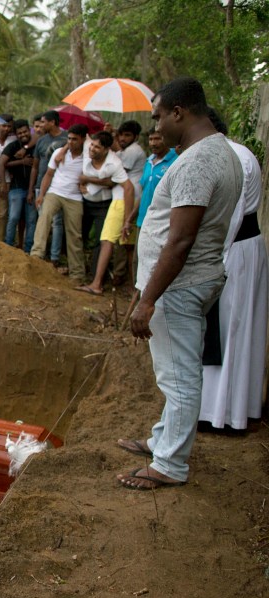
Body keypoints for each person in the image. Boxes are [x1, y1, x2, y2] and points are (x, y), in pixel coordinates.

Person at [117, 77, 243, 490]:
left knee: (180, 377)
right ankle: (162, 442)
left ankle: (169, 465)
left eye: (157, 118)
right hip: (190, 281)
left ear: (178, 112)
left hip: (179, 287)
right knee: (175, 370)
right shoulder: (216, 152)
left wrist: (148, 299)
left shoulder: (197, 162)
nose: (156, 128)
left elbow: (181, 239)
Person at [198, 111, 266, 434]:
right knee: (233, 326)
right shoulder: (237, 153)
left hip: (233, 250)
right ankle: (229, 407)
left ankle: (222, 412)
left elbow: (231, 215)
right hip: (241, 248)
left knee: (230, 327)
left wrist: (211, 259)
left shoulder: (232, 157)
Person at [75, 131, 134, 295]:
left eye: (97, 147)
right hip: (92, 200)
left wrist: (127, 219)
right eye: (92, 145)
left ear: (107, 149)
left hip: (116, 202)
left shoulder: (114, 164)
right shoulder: (88, 145)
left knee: (106, 241)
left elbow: (128, 188)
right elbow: (86, 138)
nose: (92, 148)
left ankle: (97, 283)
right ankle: (99, 281)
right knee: (121, 244)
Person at [33, 124, 88, 279]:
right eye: (69, 139)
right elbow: (48, 174)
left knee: (74, 234)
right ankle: (36, 256)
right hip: (55, 192)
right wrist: (41, 194)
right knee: (44, 218)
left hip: (75, 197)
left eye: (75, 139)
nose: (71, 142)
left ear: (83, 139)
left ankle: (77, 273)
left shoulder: (88, 156)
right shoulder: (59, 152)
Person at [29, 111, 68, 262]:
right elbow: (35, 166)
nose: (41, 125)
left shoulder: (66, 139)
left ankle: (54, 257)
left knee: (57, 222)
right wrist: (32, 188)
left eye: (44, 122)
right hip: (41, 184)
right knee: (42, 220)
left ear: (52, 122)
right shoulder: (41, 140)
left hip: (59, 186)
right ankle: (40, 255)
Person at [0, 120, 37, 251]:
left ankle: (28, 249)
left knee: (31, 220)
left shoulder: (36, 144)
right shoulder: (13, 146)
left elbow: (40, 135)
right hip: (16, 187)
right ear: (16, 134)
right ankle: (8, 247)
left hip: (33, 188)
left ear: (29, 130)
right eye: (19, 133)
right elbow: (1, 163)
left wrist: (25, 150)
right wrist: (22, 162)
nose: (23, 135)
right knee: (13, 217)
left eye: (25, 131)